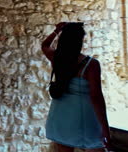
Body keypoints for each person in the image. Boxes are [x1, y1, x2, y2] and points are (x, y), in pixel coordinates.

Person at [41, 22, 113, 152]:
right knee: (95, 147)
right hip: (83, 116)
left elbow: (45, 45)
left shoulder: (56, 58)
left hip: (60, 114)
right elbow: (96, 97)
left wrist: (56, 31)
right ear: (79, 41)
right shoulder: (91, 65)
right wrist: (105, 127)